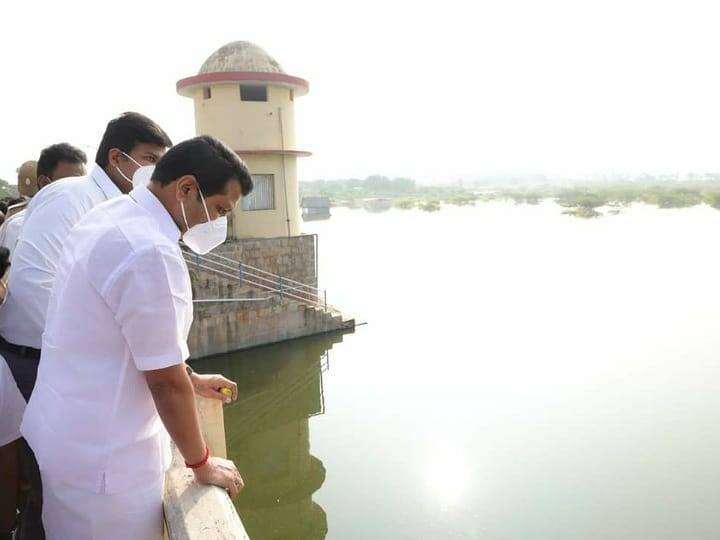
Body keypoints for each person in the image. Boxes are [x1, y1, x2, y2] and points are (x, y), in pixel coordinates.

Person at [21, 135, 253, 539]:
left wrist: (191, 380)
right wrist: (201, 464)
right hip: (105, 464)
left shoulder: (110, 214)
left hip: (64, 432)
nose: (217, 223)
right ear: (185, 189)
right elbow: (164, 384)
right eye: (218, 209)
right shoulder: (149, 251)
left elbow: (115, 334)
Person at [0, 112, 171, 540]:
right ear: (117, 158)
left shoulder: (114, 208)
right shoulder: (72, 197)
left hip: (61, 366)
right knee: (49, 488)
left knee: (59, 489)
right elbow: (34, 285)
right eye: (148, 159)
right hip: (36, 364)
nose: (154, 172)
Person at [0, 143, 87, 257]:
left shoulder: (88, 225)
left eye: (83, 183)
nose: (79, 190)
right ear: (44, 183)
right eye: (69, 183)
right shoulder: (18, 227)